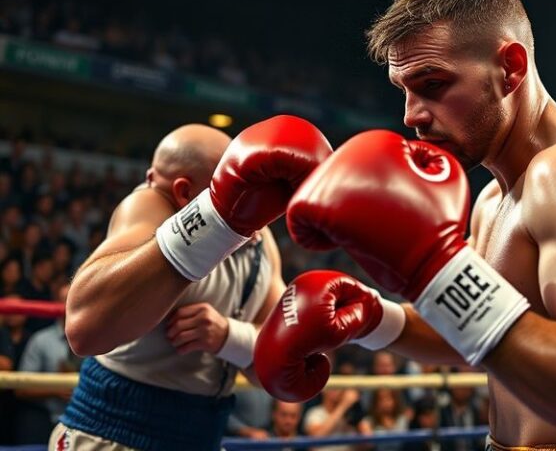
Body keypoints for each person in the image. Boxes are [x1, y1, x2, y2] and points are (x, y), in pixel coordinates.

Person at [256, 0, 556, 451]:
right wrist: (377, 317)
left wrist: (434, 272)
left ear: (510, 68)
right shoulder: (491, 198)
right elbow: (493, 336)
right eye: (404, 91)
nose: (411, 116)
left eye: (433, 85)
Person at [54, 117, 332, 451]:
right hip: (112, 433)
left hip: (203, 436)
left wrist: (228, 337)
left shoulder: (262, 244)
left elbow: (280, 370)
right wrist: (217, 215)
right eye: (234, 184)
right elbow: (85, 328)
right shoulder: (148, 208)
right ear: (184, 192)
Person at [15, 283, 76, 444]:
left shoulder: (96, 340)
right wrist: (54, 390)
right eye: (64, 300)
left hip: (83, 418)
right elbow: (20, 389)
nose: (69, 304)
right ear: (55, 303)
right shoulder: (40, 340)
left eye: (73, 298)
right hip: (45, 417)